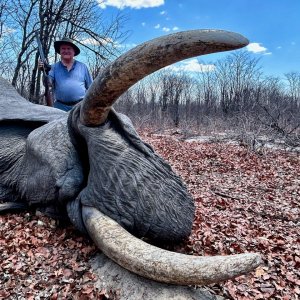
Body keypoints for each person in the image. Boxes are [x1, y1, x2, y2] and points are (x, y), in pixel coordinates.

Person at [40, 37, 93, 111]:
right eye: (63, 48)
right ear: (60, 51)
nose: (66, 51)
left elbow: (91, 87)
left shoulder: (83, 67)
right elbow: (48, 83)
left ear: (74, 51)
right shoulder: (53, 67)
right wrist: (45, 71)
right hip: (60, 107)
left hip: (80, 107)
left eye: (69, 48)